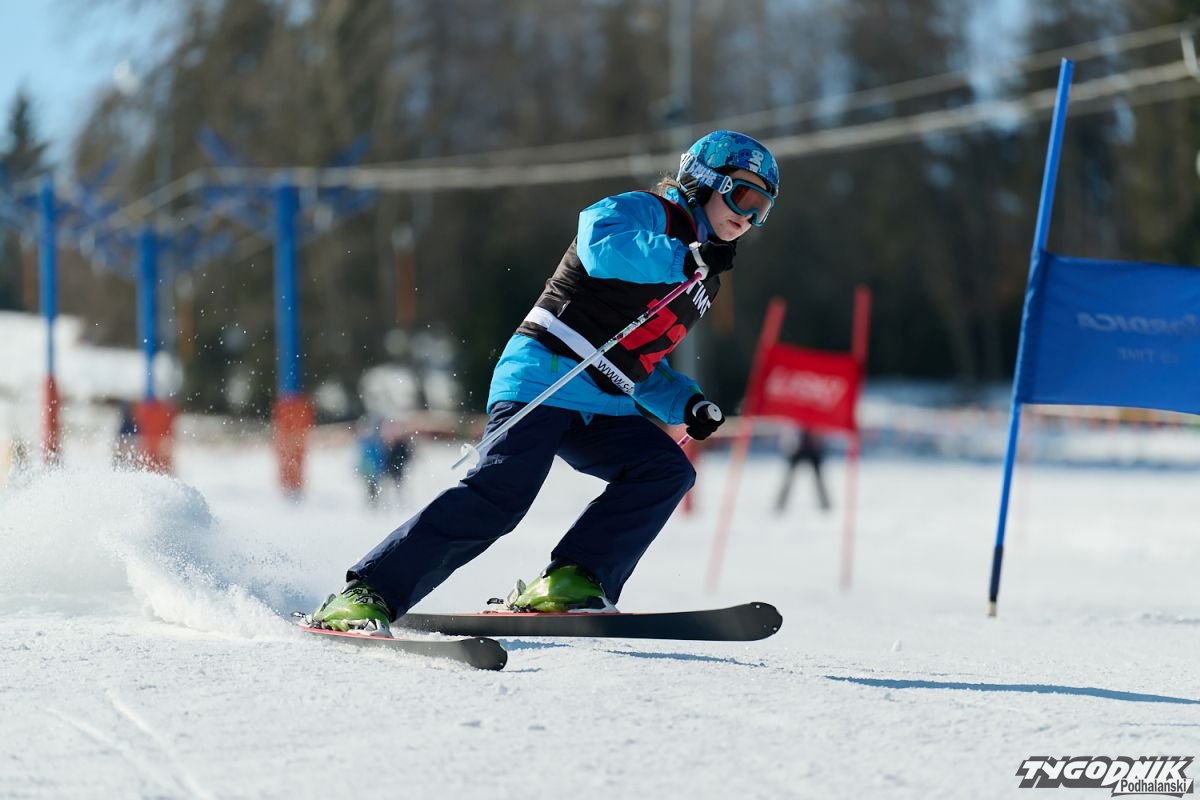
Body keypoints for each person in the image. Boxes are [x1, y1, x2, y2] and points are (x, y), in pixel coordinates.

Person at [310, 131, 780, 631]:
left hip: (603, 403)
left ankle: (573, 579)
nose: (748, 218)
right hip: (545, 376)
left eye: (762, 210)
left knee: (665, 470)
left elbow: (639, 356)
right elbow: (601, 247)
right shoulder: (648, 213)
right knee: (501, 496)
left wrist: (684, 403)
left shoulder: (706, 277)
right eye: (743, 197)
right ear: (703, 180)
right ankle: (367, 592)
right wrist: (682, 258)